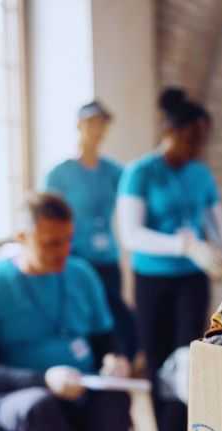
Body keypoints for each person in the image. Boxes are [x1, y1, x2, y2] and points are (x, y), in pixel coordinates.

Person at [117, 87, 222, 431]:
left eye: (204, 138)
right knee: (159, 360)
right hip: (152, 281)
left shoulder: (201, 174)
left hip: (191, 282)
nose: (199, 145)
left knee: (187, 360)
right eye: (193, 137)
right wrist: (183, 244)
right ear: (172, 130)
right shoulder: (141, 173)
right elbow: (132, 235)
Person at [0, 193, 133, 431]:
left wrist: (114, 359)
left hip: (84, 386)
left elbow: (106, 339)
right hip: (19, 396)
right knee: (42, 406)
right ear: (23, 238)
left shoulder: (80, 274)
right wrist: (44, 379)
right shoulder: (0, 284)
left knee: (116, 397)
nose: (63, 250)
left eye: (68, 240)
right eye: (51, 243)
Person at [44, 100, 137, 360]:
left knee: (115, 314)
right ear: (79, 125)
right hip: (74, 257)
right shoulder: (60, 174)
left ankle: (121, 361)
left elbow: (135, 199)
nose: (97, 130)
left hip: (107, 257)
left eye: (102, 124)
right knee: (81, 313)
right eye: (92, 123)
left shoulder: (115, 171)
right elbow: (45, 217)